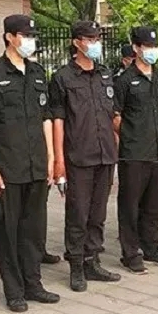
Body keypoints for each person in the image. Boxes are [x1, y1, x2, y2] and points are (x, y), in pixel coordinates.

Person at [0, 14, 60, 313]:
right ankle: (14, 291)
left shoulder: (37, 72)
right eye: (25, 35)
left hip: (36, 164)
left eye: (33, 36)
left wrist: (51, 157)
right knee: (8, 232)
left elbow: (46, 117)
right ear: (9, 37)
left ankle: (33, 284)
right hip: (7, 167)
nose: (30, 41)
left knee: (34, 230)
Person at [49, 20, 122, 292]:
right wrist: (58, 160)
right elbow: (58, 120)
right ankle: (76, 265)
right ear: (77, 42)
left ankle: (93, 260)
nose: (95, 44)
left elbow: (112, 115)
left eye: (97, 39)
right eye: (90, 39)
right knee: (78, 214)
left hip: (105, 154)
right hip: (78, 155)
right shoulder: (63, 77)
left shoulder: (105, 74)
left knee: (98, 213)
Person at [113, 26, 158, 274]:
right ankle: (130, 252)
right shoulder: (124, 80)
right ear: (137, 48)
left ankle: (152, 247)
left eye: (155, 46)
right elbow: (115, 116)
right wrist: (131, 135)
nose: (152, 51)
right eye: (148, 46)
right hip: (134, 153)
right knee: (130, 205)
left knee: (154, 204)